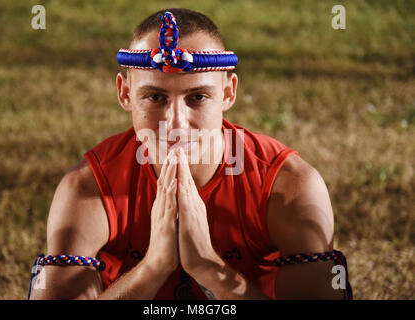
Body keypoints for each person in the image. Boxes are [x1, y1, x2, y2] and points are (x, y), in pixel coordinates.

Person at [29, 8, 351, 300]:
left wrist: (210, 268)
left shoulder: (287, 185)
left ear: (228, 93)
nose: (175, 122)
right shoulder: (89, 188)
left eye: (197, 97)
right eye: (155, 97)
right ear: (125, 93)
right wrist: (152, 268)